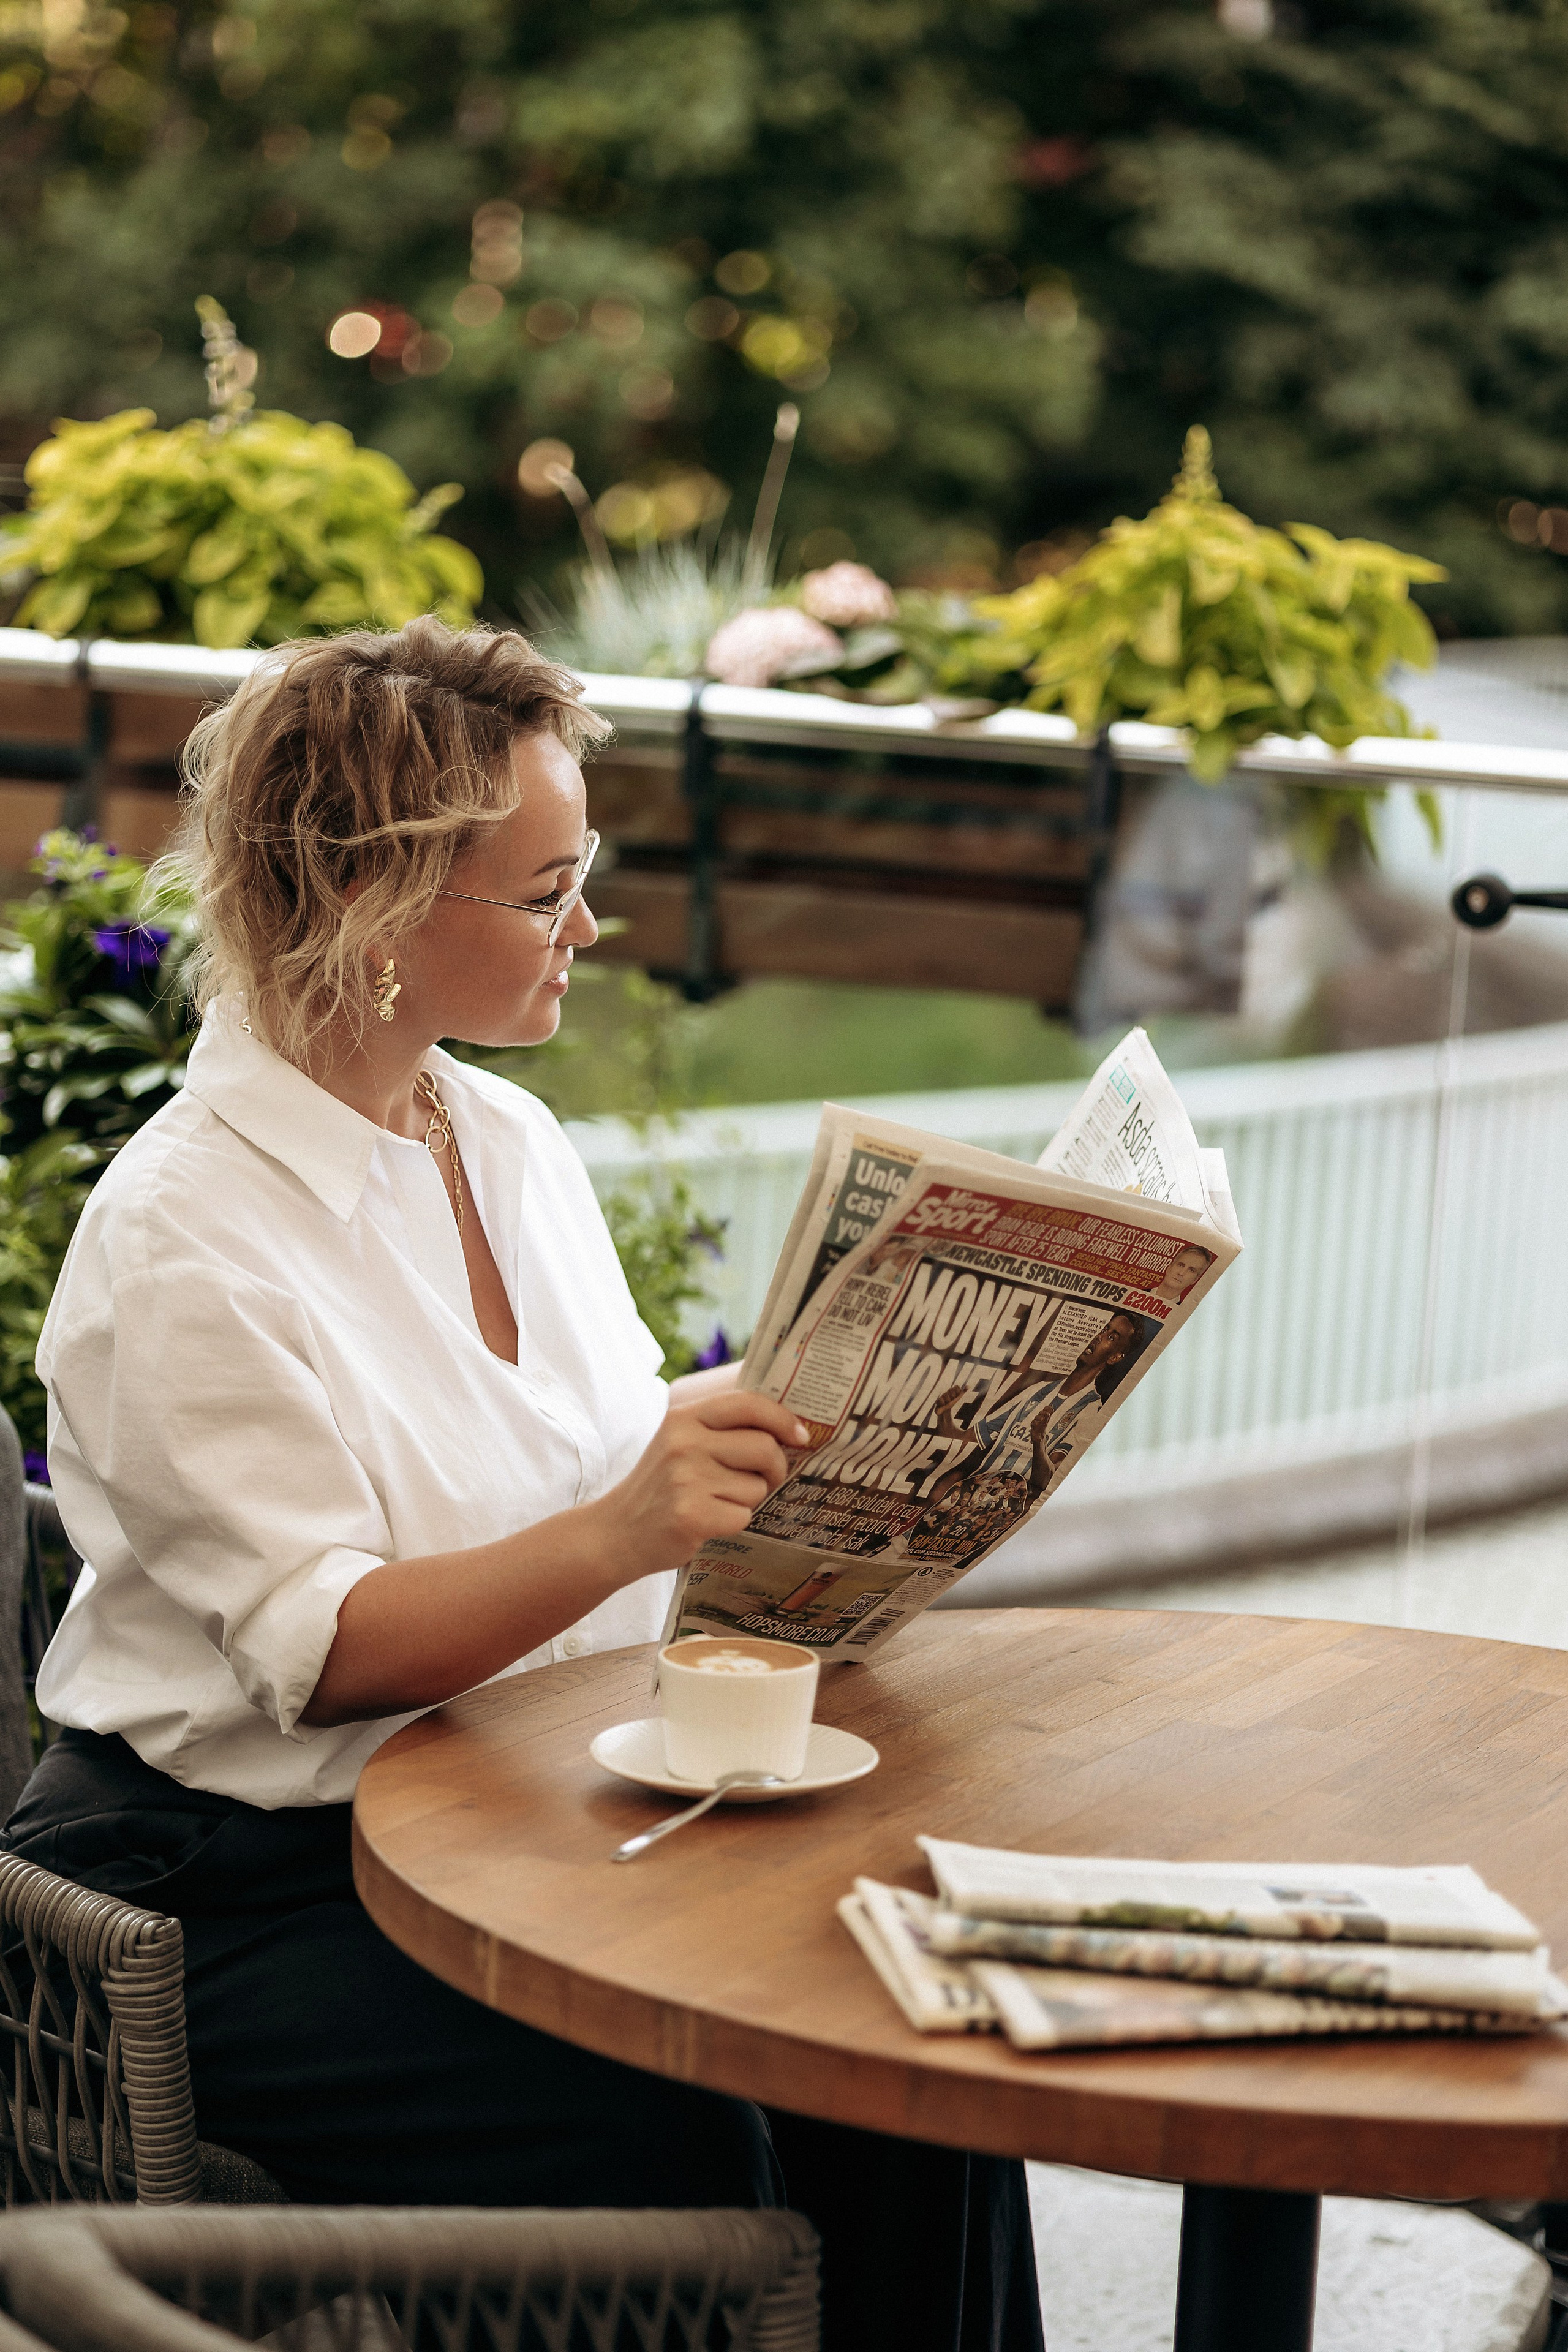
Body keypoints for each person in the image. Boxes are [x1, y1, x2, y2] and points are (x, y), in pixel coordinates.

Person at [2, 620, 1043, 2352]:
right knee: (690, 2129)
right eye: (547, 889)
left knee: (912, 2057)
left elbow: (610, 1449)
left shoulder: (503, 1140)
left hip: (521, 1809)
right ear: (376, 905)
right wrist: (632, 1522)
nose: (589, 927)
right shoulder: (182, 1237)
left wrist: (864, 1427)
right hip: (245, 1878)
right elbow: (320, 1652)